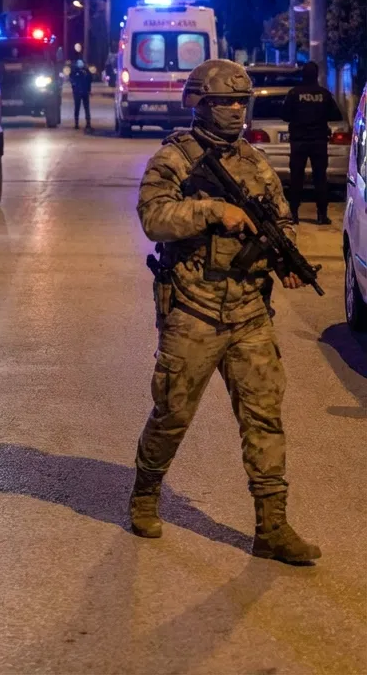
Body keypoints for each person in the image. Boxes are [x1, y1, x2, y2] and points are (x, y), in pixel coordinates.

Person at [130, 59, 320, 564]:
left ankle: (272, 526)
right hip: (193, 309)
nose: (236, 110)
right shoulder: (175, 159)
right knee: (172, 413)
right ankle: (145, 495)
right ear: (200, 104)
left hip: (249, 312)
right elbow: (153, 218)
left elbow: (281, 217)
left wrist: (284, 259)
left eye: (241, 102)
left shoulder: (255, 163)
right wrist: (213, 211)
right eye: (224, 102)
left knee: (265, 418)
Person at [281, 60, 343, 226]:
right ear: (316, 75)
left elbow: (285, 115)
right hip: (319, 141)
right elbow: (336, 115)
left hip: (299, 141)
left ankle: (293, 213)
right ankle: (322, 215)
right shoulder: (324, 94)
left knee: (296, 178)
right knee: (320, 178)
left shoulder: (294, 93)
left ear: (303, 74)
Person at [70, 59, 92, 130]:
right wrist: (74, 89)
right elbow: (72, 81)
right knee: (77, 108)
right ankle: (76, 123)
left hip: (84, 92)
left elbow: (89, 81)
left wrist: (89, 90)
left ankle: (88, 123)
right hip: (77, 93)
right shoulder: (74, 71)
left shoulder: (86, 71)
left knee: (86, 108)